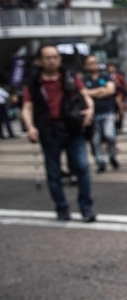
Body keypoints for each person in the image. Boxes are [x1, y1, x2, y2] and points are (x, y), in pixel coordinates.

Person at [21, 44, 96, 221]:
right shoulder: (33, 82)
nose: (52, 60)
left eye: (55, 57)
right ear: (40, 61)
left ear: (60, 59)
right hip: (49, 130)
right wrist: (30, 126)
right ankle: (62, 208)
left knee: (82, 167)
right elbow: (27, 107)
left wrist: (90, 109)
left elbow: (86, 95)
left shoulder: (70, 76)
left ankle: (87, 208)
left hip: (73, 127)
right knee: (54, 173)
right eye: (48, 57)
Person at [81, 54, 119, 172]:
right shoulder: (83, 79)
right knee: (95, 140)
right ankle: (100, 161)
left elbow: (111, 90)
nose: (94, 65)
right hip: (93, 114)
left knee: (110, 135)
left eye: (95, 62)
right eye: (90, 63)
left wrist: (92, 94)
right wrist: (102, 91)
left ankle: (112, 155)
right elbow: (83, 93)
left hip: (108, 111)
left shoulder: (106, 76)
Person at [107, 61, 126, 133]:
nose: (111, 70)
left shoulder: (119, 77)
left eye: (112, 68)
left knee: (121, 111)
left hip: (119, 95)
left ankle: (119, 125)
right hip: (110, 96)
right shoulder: (106, 77)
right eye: (110, 69)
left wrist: (118, 84)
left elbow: (124, 87)